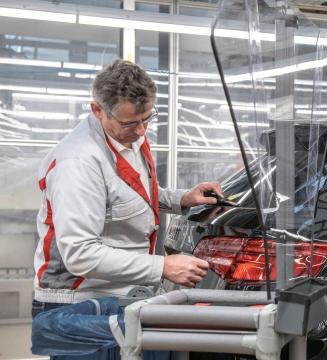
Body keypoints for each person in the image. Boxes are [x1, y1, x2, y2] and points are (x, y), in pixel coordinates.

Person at [32, 60, 221, 343]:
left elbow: (134, 194)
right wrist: (162, 266)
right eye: (131, 122)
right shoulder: (78, 163)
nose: (142, 130)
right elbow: (80, 254)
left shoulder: (128, 139)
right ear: (97, 110)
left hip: (122, 293)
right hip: (79, 302)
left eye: (147, 118)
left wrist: (182, 198)